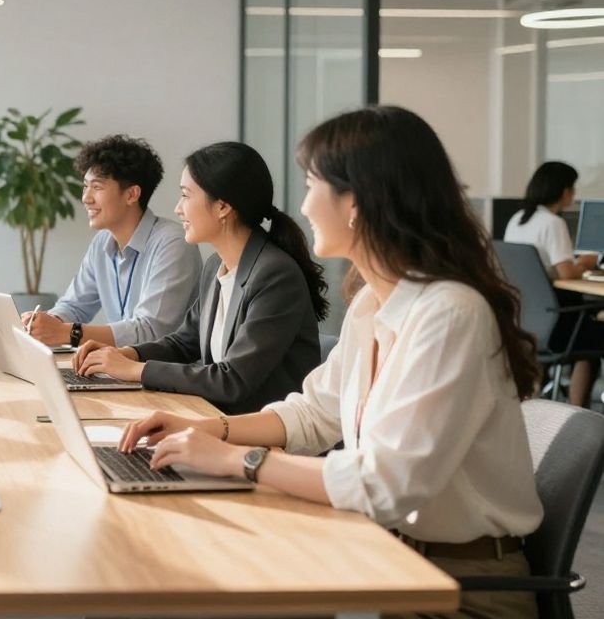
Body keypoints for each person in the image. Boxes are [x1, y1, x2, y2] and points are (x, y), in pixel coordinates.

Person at [119, 107, 543, 619]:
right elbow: (313, 413)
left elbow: (385, 484)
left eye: (311, 184)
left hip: (459, 590)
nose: (301, 204)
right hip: (387, 556)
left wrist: (238, 461)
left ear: (356, 202)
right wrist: (208, 430)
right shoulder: (373, 303)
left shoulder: (450, 314)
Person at [72, 142, 325, 414]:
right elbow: (183, 342)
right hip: (216, 419)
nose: (178, 208)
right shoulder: (218, 264)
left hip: (261, 436)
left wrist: (135, 370)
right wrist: (129, 354)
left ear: (222, 207)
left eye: (186, 196)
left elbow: (233, 380)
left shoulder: (274, 275)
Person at [23, 135, 201, 349]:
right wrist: (45, 324)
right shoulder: (102, 243)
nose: (86, 198)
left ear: (132, 194)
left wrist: (68, 333)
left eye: (97, 187)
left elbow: (151, 331)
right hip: (121, 370)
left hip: (164, 375)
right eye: (85, 186)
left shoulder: (173, 243)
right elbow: (74, 305)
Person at [504, 160, 604, 408]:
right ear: (564, 191)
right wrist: (588, 262)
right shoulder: (552, 223)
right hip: (556, 325)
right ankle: (578, 412)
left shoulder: (517, 220)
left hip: (524, 322)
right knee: (596, 339)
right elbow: (567, 273)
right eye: (573, 188)